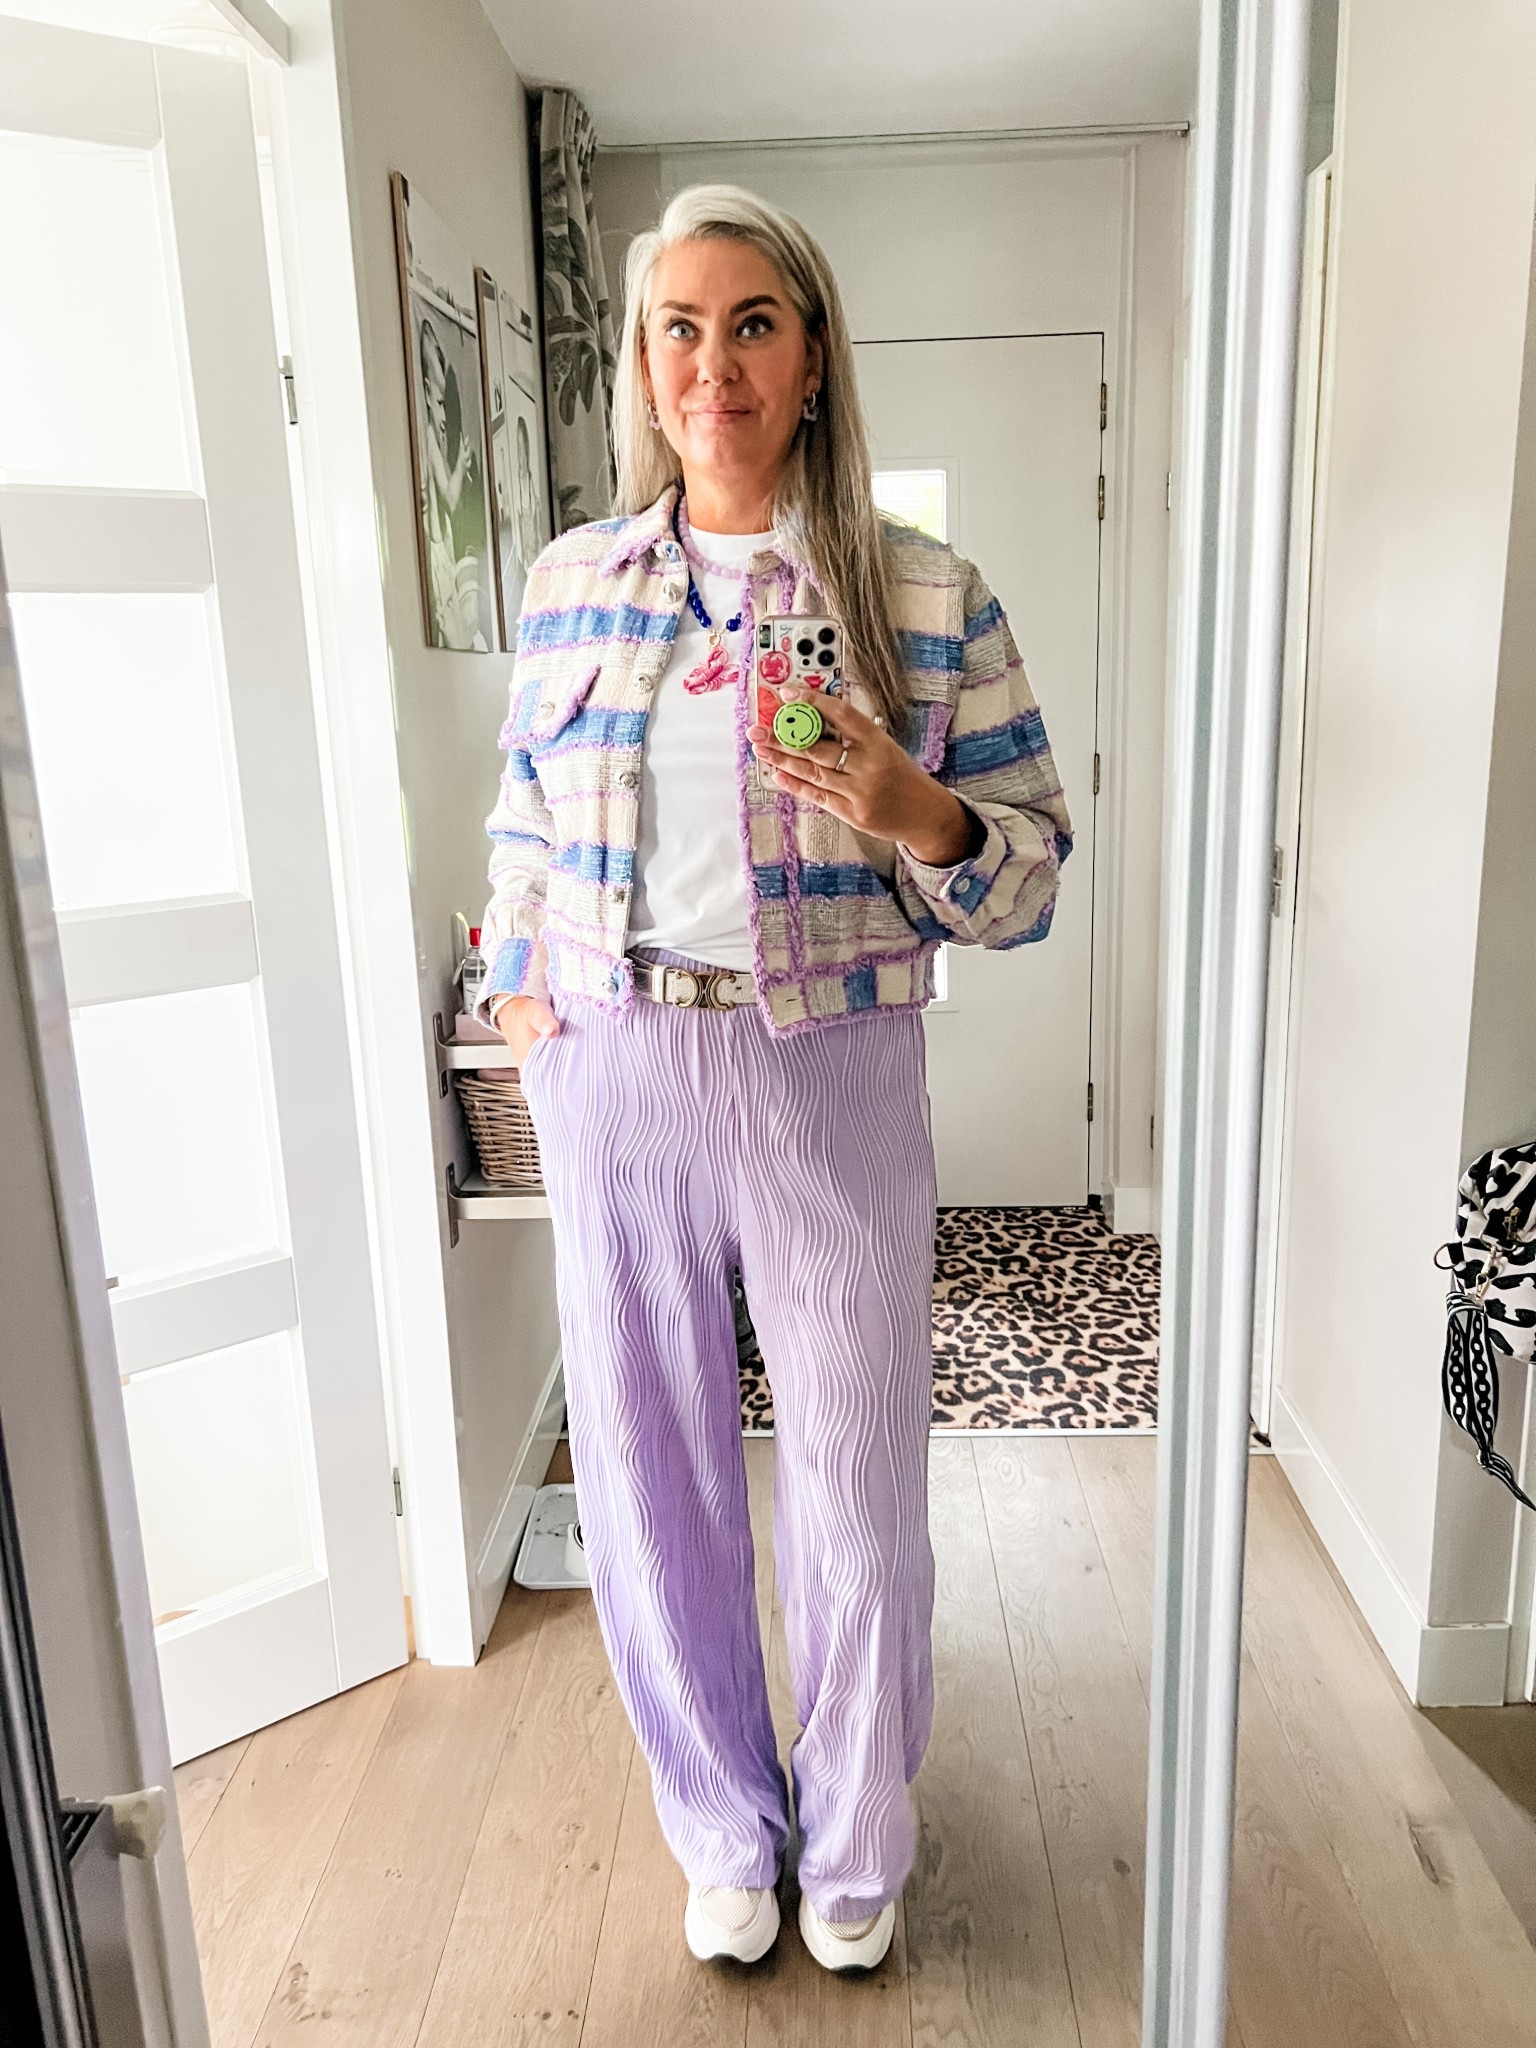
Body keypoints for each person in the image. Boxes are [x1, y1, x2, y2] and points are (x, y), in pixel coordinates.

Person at [476, 185, 1070, 1973]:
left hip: (829, 1070)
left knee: (858, 1471)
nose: (710, 363)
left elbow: (1031, 869)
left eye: (752, 324)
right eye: (678, 325)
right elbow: (521, 822)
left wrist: (917, 810)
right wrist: (519, 986)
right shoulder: (574, 581)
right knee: (654, 1480)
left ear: (810, 358)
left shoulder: (924, 594)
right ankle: (724, 1825)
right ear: (644, 364)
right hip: (617, 1066)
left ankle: (859, 1844)